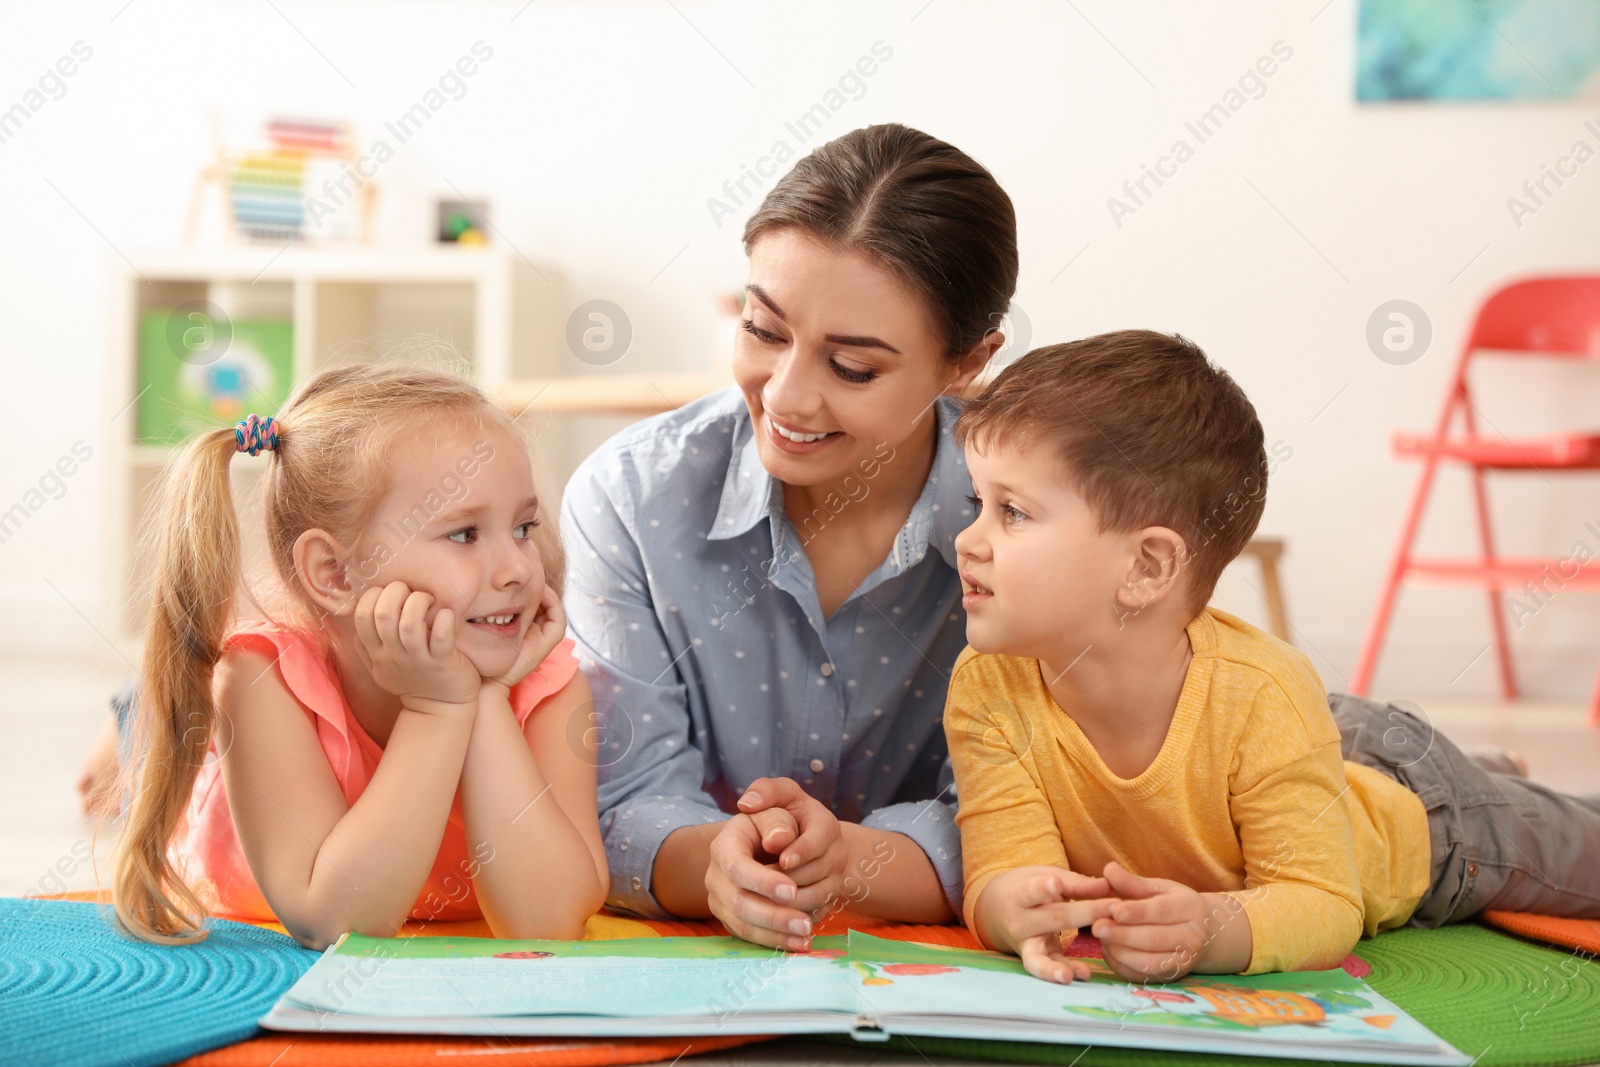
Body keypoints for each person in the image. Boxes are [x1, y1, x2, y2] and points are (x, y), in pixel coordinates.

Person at [944, 330, 1600, 984]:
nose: (967, 540)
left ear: (1146, 566)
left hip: (1429, 817)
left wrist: (1211, 929)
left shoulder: (1265, 693)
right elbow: (1005, 864)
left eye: (1014, 512)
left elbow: (1322, 902)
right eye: (979, 502)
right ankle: (1481, 765)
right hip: (1314, 744)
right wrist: (1019, 909)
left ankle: (1473, 776)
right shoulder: (986, 686)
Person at [563, 123, 1017, 949]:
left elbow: (1032, 812)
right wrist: (715, 865)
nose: (787, 396)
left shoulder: (1022, 526)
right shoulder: (630, 497)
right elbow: (619, 796)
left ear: (968, 363)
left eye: (852, 368)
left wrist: (854, 860)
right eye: (764, 330)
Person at [112, 363, 606, 949]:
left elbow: (548, 924)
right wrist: (438, 710)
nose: (521, 569)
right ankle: (124, 715)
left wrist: (487, 700)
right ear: (335, 573)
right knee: (144, 731)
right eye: (465, 534)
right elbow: (335, 921)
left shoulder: (545, 682)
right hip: (233, 728)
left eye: (524, 526)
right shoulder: (259, 679)